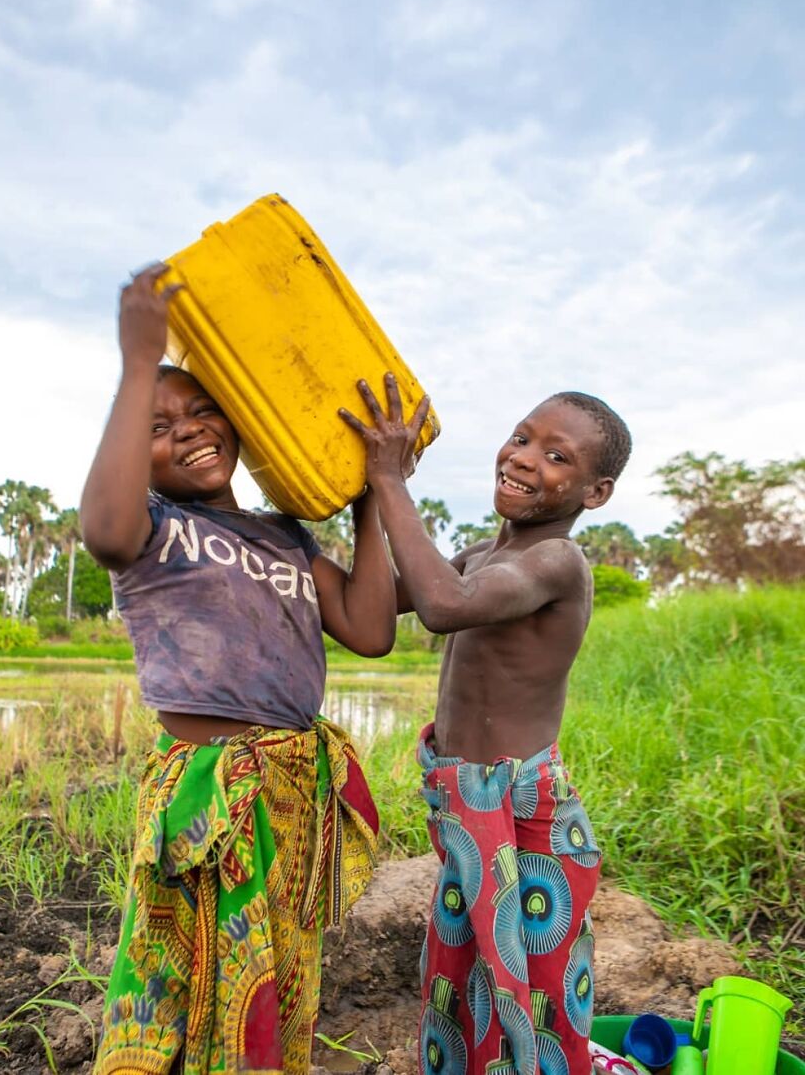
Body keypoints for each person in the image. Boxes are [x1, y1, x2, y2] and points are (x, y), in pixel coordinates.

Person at [81, 265, 401, 1075]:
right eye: (158, 426)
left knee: (278, 975)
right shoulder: (151, 528)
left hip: (288, 796)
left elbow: (368, 630)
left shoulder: (286, 537)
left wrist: (366, 494)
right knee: (182, 978)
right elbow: (104, 528)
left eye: (200, 409)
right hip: (207, 800)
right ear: (134, 453)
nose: (187, 429)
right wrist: (138, 361)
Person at [341, 375, 632, 1075]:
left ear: (596, 494)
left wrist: (388, 482)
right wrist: (359, 503)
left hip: (526, 825)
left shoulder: (557, 563)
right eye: (523, 437)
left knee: (533, 997)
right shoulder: (480, 554)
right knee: (463, 977)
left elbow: (442, 604)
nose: (526, 458)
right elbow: (374, 615)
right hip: (467, 815)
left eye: (558, 457)